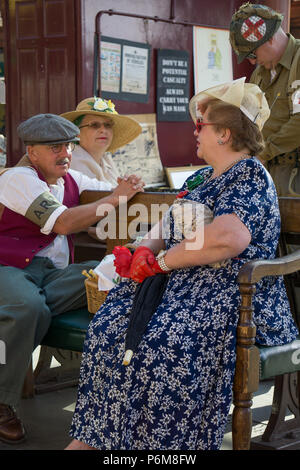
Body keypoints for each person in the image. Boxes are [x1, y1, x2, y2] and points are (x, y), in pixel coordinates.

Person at [66, 78, 298, 451]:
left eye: (202, 124)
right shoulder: (202, 176)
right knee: (109, 329)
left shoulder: (250, 176)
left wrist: (161, 261)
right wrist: (143, 249)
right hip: (180, 287)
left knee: (162, 344)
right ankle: (98, 439)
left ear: (224, 134)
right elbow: (167, 225)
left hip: (230, 294)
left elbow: (228, 238)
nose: (196, 130)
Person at [0, 113, 144, 444]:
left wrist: (132, 186)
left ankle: (127, 395)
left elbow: (114, 189)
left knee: (110, 274)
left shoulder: (72, 178)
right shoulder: (18, 178)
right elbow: (63, 222)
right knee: (26, 307)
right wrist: (115, 199)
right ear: (32, 152)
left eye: (68, 144)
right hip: (9, 268)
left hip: (51, 276)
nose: (64, 152)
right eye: (54, 147)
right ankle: (2, 402)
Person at [229, 3, 300, 196]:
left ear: (268, 40)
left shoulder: (298, 61)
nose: (251, 61)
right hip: (266, 175)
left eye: (252, 53)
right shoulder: (259, 74)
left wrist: (263, 152)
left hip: (294, 178)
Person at [61, 97, 142, 186]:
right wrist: (125, 193)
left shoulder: (106, 159)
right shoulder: (73, 162)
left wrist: (130, 190)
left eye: (108, 125)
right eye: (94, 125)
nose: (103, 130)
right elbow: (99, 198)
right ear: (76, 132)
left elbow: (118, 198)